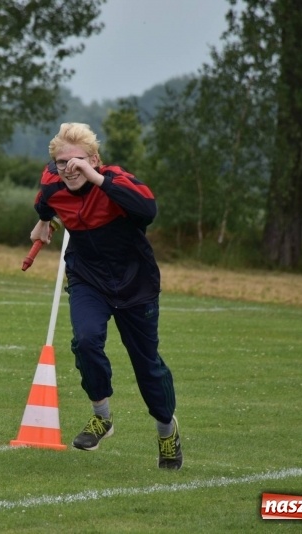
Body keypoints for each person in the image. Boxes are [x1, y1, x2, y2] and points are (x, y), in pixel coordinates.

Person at [30, 122, 182, 469]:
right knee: (85, 340)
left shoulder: (115, 181)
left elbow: (148, 210)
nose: (68, 168)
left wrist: (96, 178)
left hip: (136, 285)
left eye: (78, 161)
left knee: (147, 367)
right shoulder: (54, 182)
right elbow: (44, 199)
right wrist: (45, 221)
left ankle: (166, 431)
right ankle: (102, 416)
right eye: (61, 163)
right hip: (88, 279)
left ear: (95, 159)